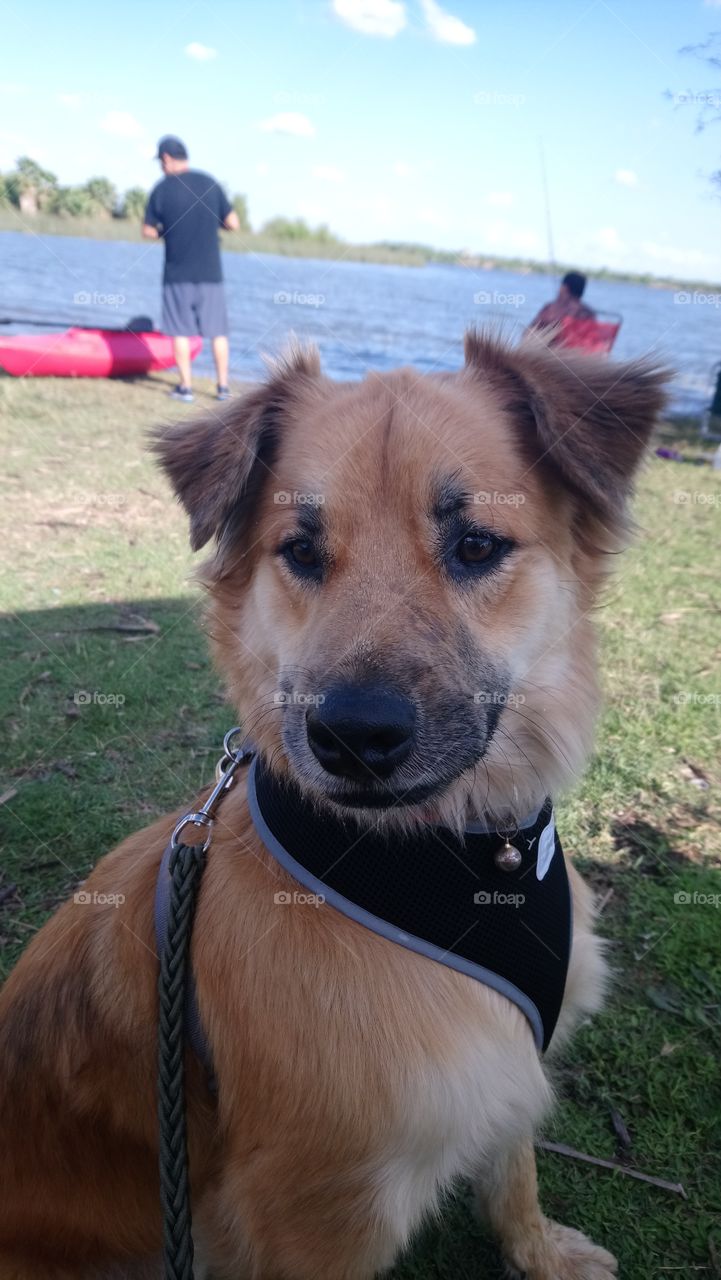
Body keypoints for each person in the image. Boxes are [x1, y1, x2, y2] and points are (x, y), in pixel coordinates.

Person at [143, 135, 239, 402]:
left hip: (177, 275)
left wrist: (166, 232)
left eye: (160, 163)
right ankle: (223, 388)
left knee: (181, 331)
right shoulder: (210, 183)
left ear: (166, 159)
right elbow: (233, 223)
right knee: (218, 331)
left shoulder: (162, 189)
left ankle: (186, 387)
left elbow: (148, 231)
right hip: (211, 275)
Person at [528, 270, 596, 334]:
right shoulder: (589, 313)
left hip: (550, 345)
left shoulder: (551, 309)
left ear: (565, 288)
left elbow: (529, 332)